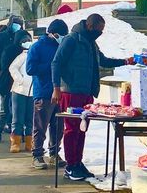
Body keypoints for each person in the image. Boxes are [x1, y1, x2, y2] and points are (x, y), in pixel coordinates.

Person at [52, 14, 134, 181]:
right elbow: (56, 63)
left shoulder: (91, 42)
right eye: (99, 30)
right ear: (90, 26)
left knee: (82, 128)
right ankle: (70, 165)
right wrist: (56, 88)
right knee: (71, 128)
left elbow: (103, 61)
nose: (100, 33)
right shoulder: (71, 39)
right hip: (71, 91)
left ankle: (77, 162)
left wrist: (125, 61)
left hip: (87, 92)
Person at [27, 19, 69, 170]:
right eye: (61, 35)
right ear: (53, 33)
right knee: (40, 125)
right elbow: (30, 69)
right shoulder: (37, 47)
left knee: (58, 126)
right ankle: (37, 155)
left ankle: (54, 153)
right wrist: (53, 65)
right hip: (44, 91)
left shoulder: (62, 46)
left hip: (60, 92)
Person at [0, 16, 25, 143]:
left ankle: (16, 131)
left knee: (18, 108)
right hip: (4, 76)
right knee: (2, 105)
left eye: (20, 24)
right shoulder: (0, 37)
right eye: (16, 24)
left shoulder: (22, 39)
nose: (18, 26)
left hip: (20, 78)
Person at [8, 30, 34, 153]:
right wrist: (20, 80)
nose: (27, 43)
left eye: (29, 41)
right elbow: (12, 68)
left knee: (30, 119)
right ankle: (15, 142)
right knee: (17, 118)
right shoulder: (22, 56)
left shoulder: (34, 55)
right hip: (19, 91)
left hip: (33, 92)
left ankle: (30, 142)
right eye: (25, 42)